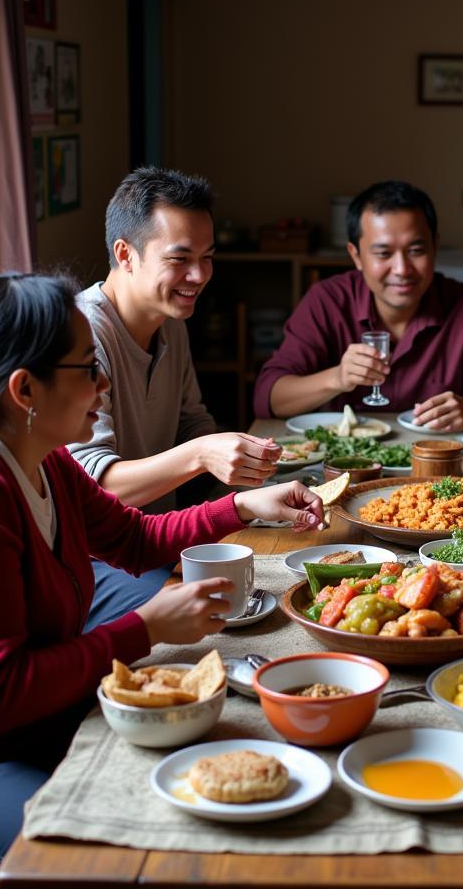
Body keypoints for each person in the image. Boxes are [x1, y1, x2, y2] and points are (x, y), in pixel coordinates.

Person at [0, 273, 323, 888]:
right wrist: (141, 630)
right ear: (24, 388)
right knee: (122, 863)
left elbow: (136, 539)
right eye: (88, 367)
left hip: (23, 731)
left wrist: (243, 507)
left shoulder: (44, 458)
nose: (105, 383)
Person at [69, 168, 282, 624]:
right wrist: (205, 453)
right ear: (125, 255)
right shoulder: (81, 336)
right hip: (96, 557)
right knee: (223, 615)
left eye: (207, 257)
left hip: (159, 538)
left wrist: (244, 459)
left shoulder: (171, 321)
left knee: (281, 578)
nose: (199, 275)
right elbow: (99, 487)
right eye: (180, 258)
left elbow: (192, 424)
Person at [253, 180, 463, 432]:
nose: (402, 269)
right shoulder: (327, 300)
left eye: (416, 251)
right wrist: (337, 378)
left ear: (435, 247)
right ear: (356, 256)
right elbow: (268, 398)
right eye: (383, 253)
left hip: (436, 472)